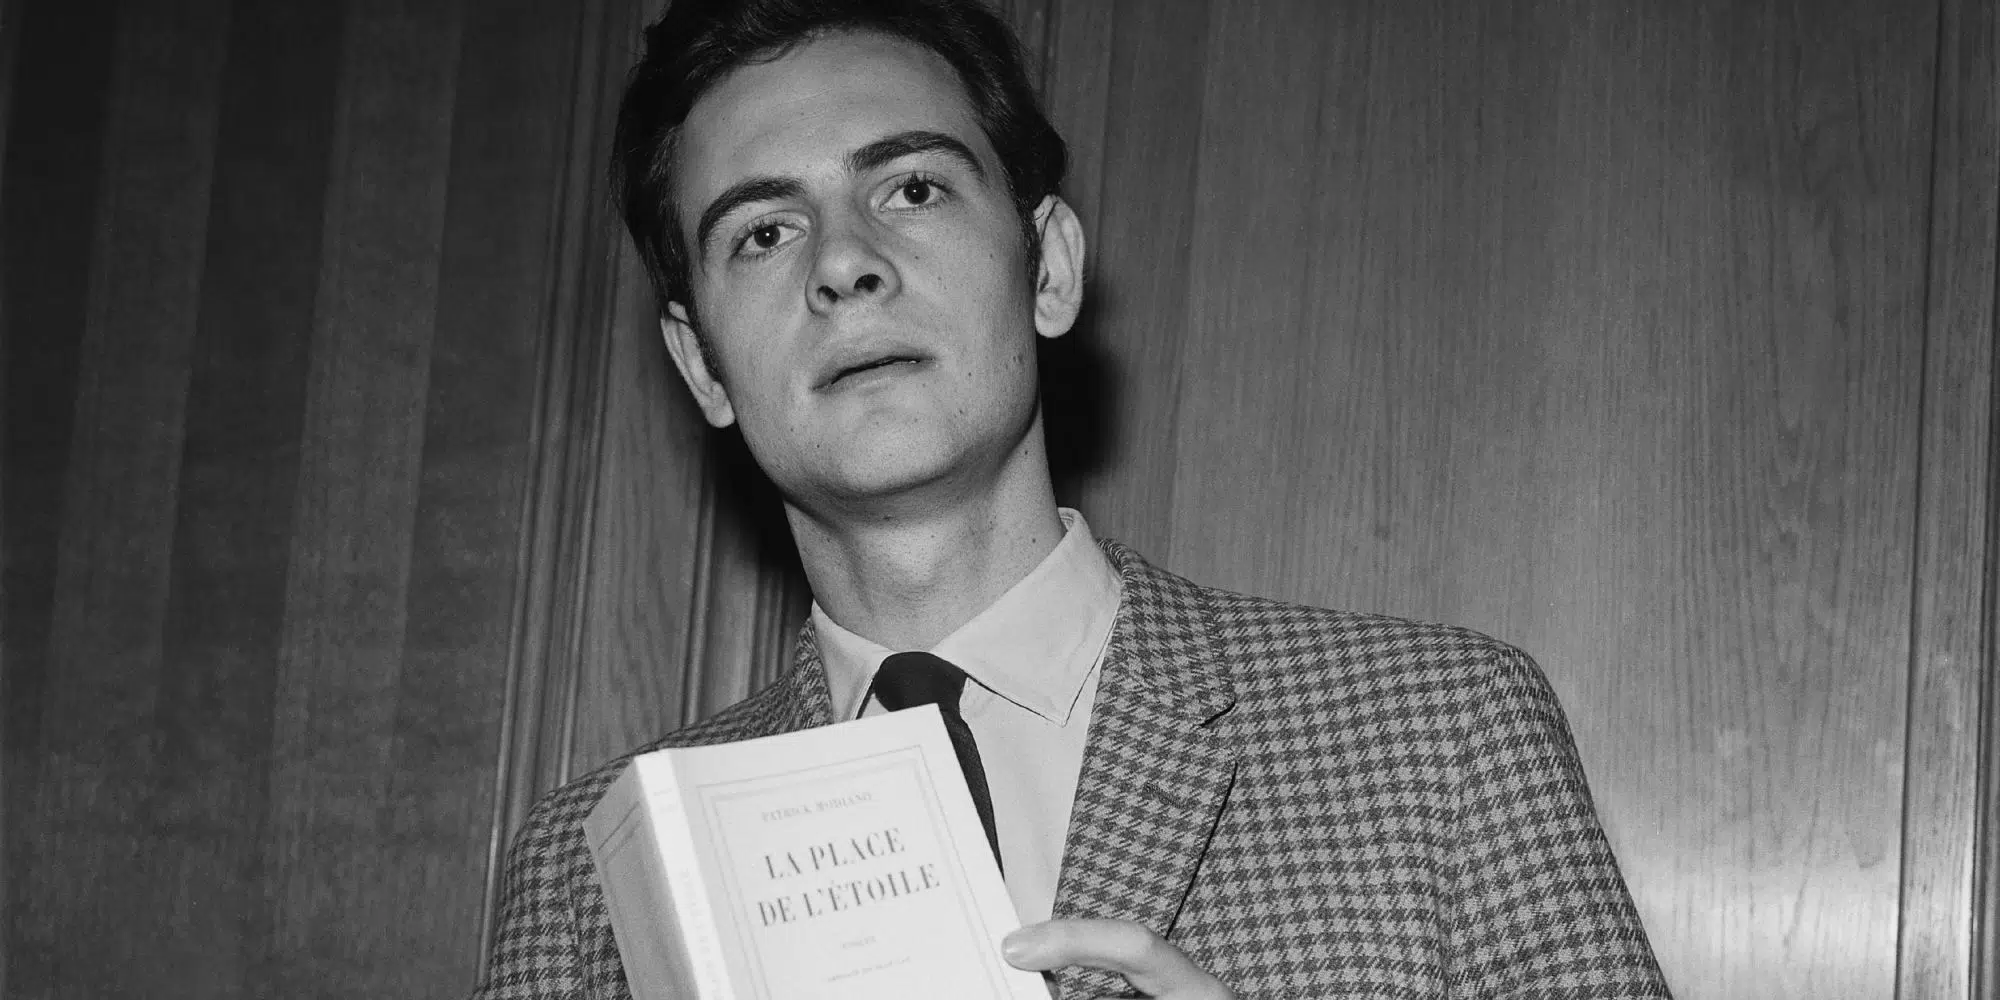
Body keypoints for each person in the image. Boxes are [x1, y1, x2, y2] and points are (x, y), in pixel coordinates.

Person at [473, 0, 1673, 997]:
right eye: (763, 231)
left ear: (1046, 267)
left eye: (912, 190)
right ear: (700, 363)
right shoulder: (592, 870)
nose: (841, 262)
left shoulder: (1442, 735)